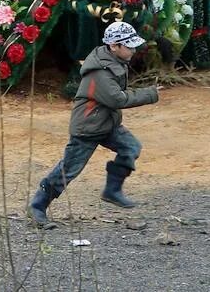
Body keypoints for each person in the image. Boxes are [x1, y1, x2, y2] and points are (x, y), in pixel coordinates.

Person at [28, 21, 160, 228]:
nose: (133, 50)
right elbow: (117, 100)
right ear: (114, 46)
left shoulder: (112, 62)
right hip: (88, 129)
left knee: (131, 148)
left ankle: (112, 191)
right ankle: (38, 206)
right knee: (68, 170)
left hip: (106, 125)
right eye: (129, 46)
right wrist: (150, 94)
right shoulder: (100, 72)